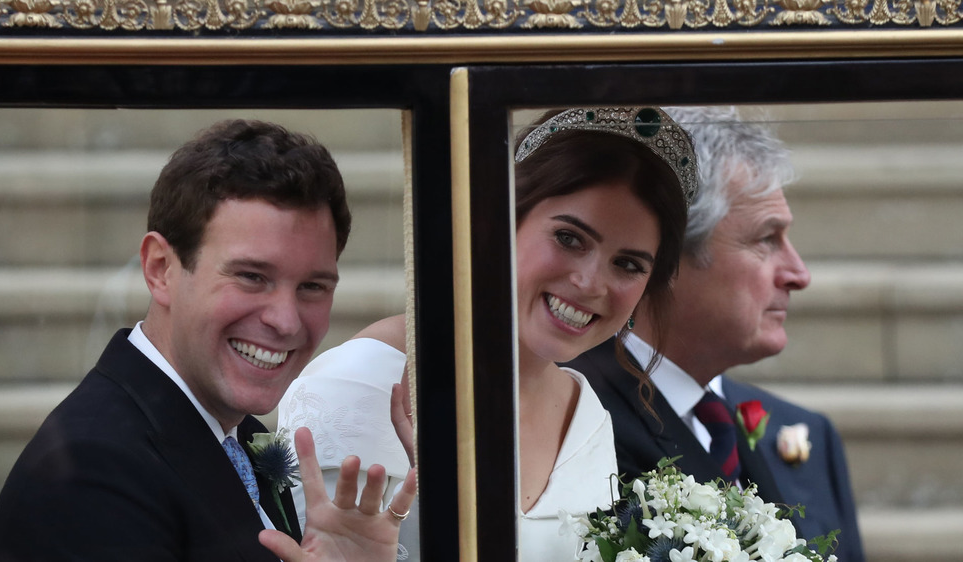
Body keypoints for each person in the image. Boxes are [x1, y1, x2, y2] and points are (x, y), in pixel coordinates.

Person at [0, 119, 415, 562]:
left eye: (313, 286)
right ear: (160, 269)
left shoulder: (236, 430)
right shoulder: (90, 477)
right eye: (251, 277)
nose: (286, 321)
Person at [278, 106, 696, 561]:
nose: (591, 284)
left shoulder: (587, 417)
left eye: (628, 265)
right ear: (500, 222)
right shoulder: (360, 383)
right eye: (569, 238)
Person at [565, 106, 865, 562]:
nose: (798, 273)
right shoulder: (574, 421)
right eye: (767, 239)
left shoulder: (807, 435)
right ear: (666, 257)